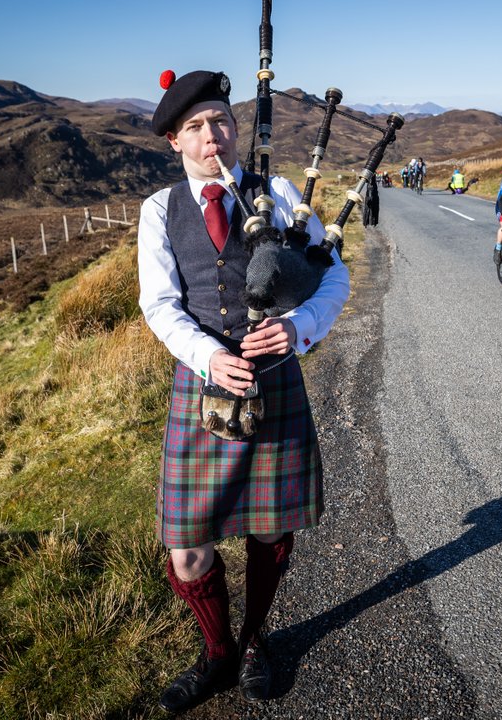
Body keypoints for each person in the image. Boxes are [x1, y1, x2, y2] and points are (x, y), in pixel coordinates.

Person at [137, 69, 350, 713]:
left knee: (270, 531)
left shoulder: (281, 195)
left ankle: (255, 642)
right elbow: (160, 306)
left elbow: (331, 281)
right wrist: (207, 357)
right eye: (196, 127)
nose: (213, 137)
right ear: (175, 141)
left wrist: (300, 327)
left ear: (236, 128)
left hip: (275, 383)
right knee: (187, 548)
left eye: (221, 122)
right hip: (204, 391)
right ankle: (217, 652)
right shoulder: (159, 211)